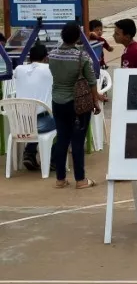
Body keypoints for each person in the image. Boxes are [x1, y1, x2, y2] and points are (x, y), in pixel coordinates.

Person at [48, 21, 97, 189]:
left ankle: (60, 179)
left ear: (62, 36)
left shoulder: (52, 54)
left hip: (57, 101)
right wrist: (95, 101)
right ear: (78, 37)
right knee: (77, 140)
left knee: (62, 139)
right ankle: (80, 179)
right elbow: (92, 81)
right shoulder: (81, 56)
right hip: (77, 104)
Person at [13, 42, 54, 171]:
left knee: (34, 119)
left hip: (19, 123)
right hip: (41, 123)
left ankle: (29, 153)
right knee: (68, 122)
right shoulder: (49, 69)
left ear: (30, 57)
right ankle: (54, 159)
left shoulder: (19, 69)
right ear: (46, 58)